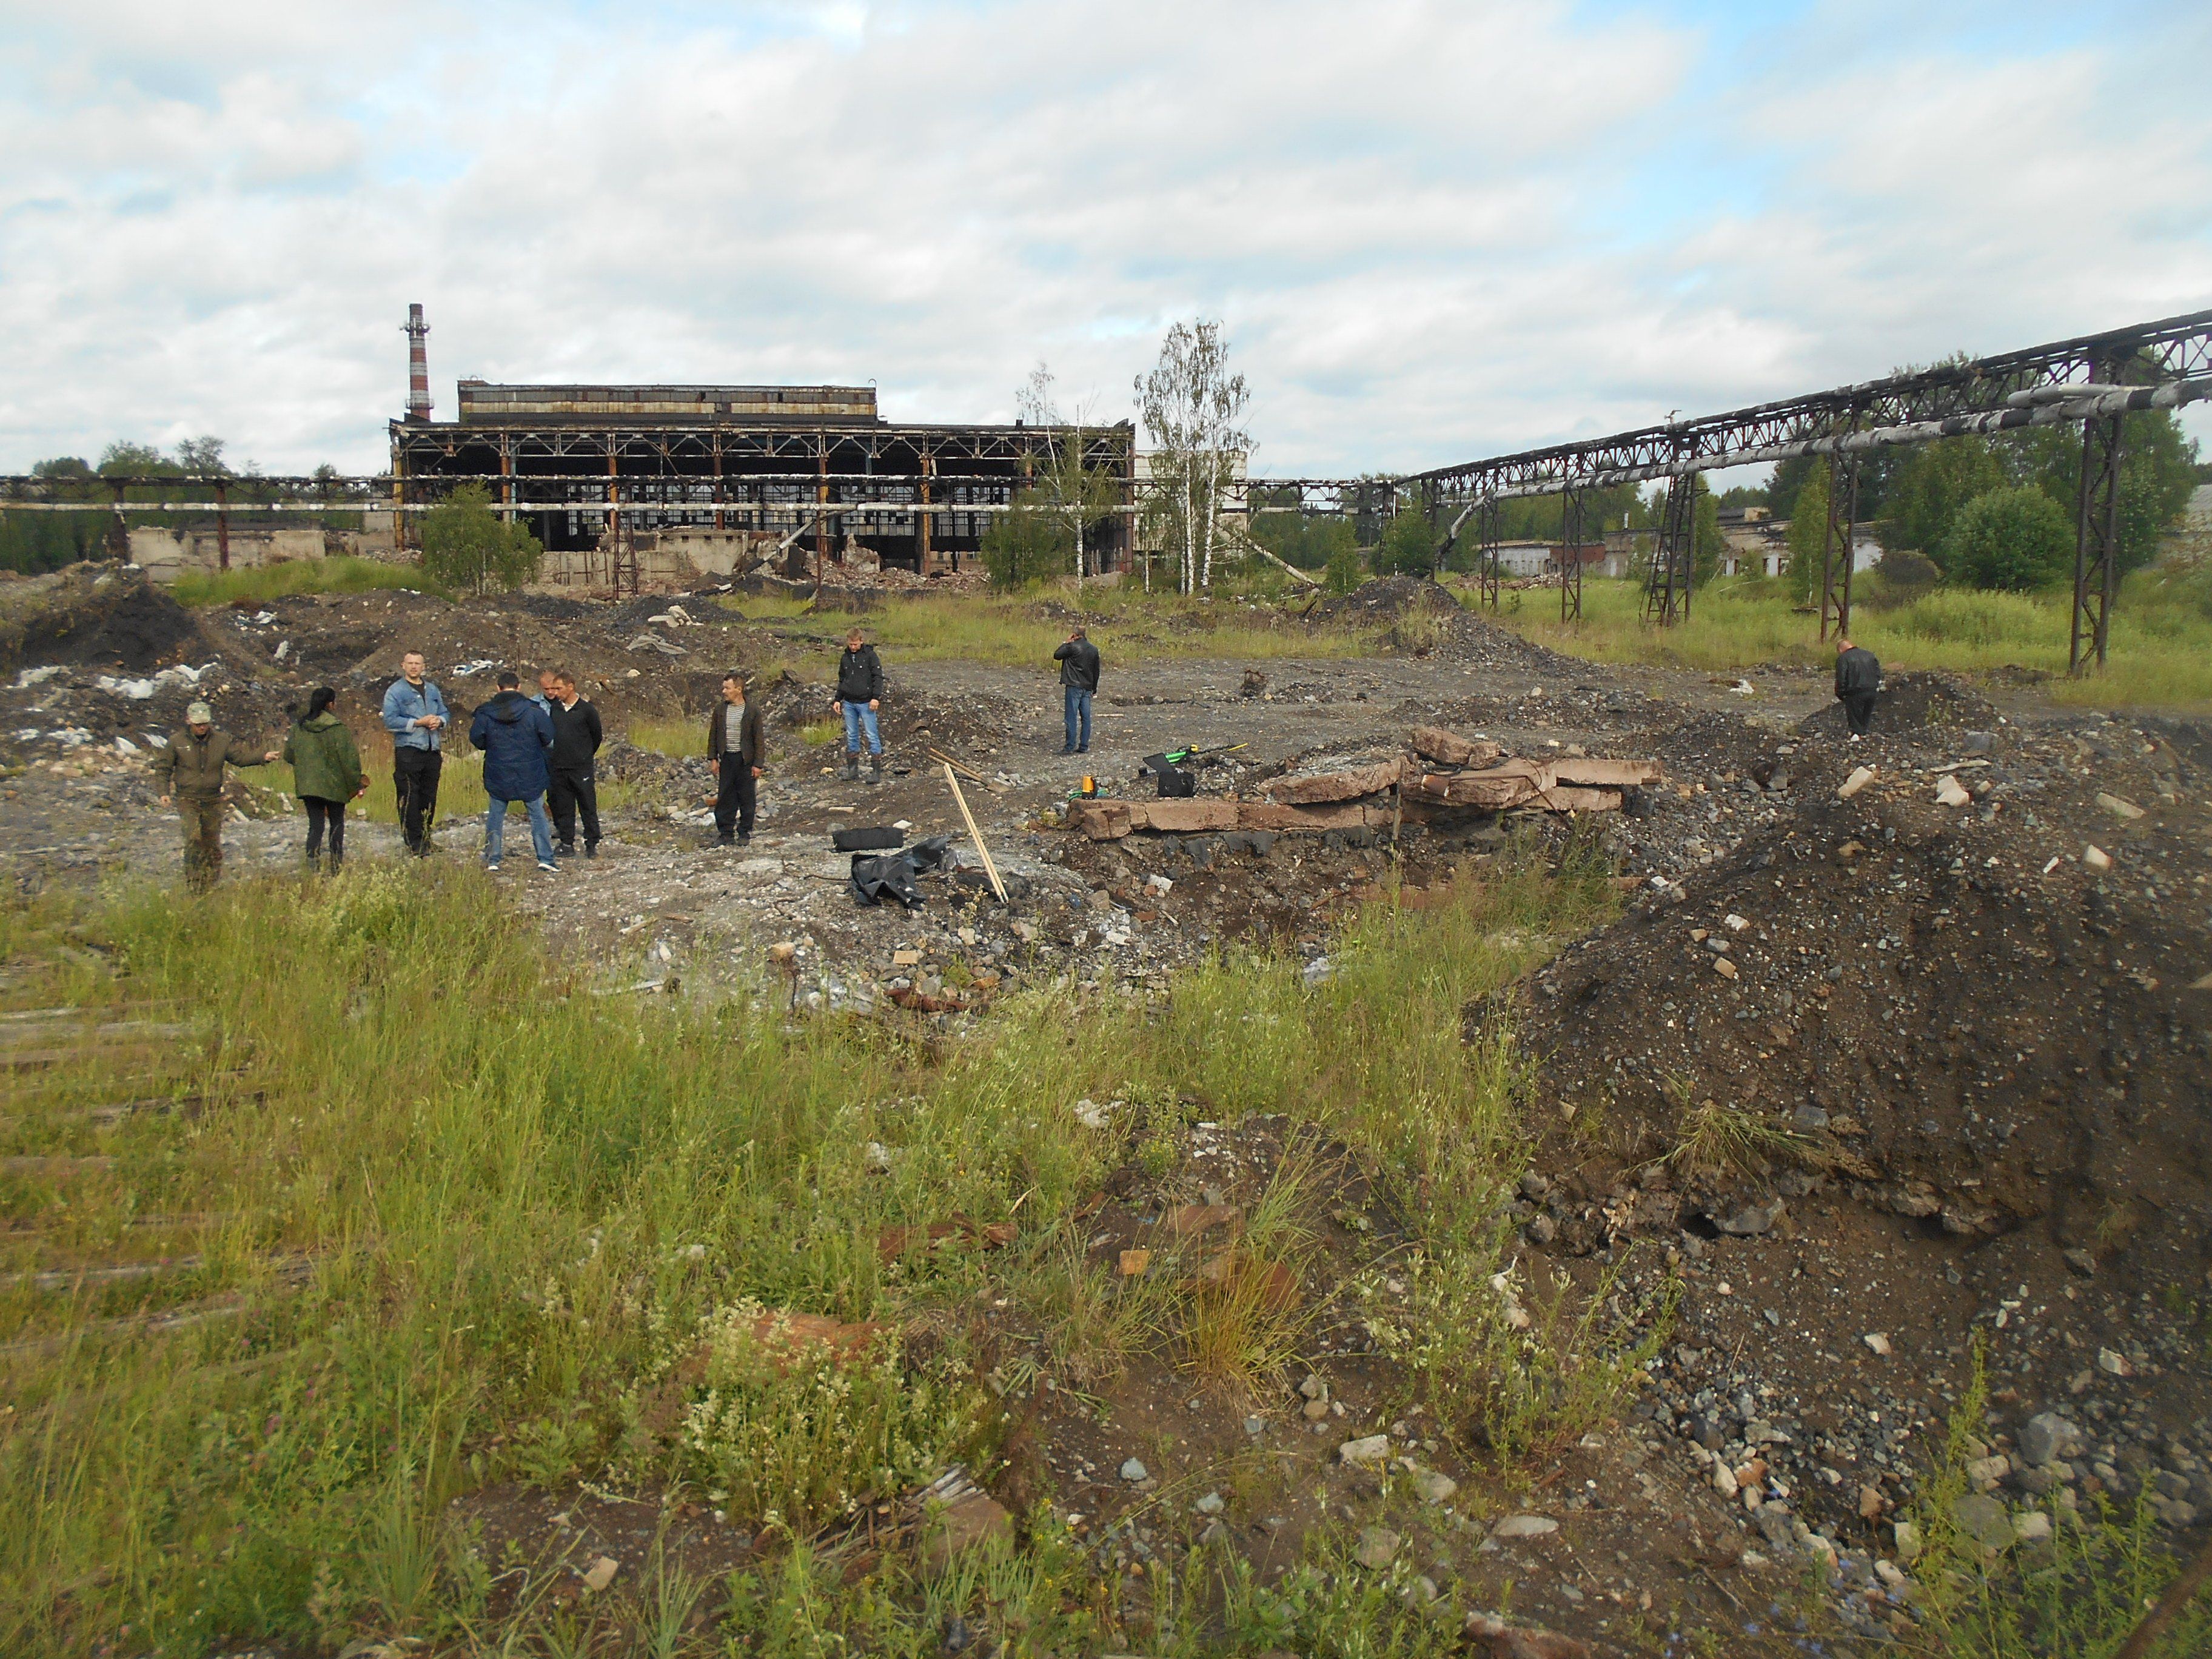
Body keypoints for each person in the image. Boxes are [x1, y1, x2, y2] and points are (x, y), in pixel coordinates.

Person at [157, 699, 278, 893]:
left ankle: (211, 882)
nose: (202, 727)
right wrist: (163, 792)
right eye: (198, 724)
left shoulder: (221, 741)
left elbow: (239, 758)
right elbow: (163, 768)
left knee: (212, 843)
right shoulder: (177, 742)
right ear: (189, 721)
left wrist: (262, 757)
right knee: (193, 839)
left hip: (213, 800)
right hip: (187, 799)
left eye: (205, 723)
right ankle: (194, 884)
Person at [468, 669, 557, 873]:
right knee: (537, 814)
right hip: (530, 770)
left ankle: (492, 859)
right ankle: (545, 858)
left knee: (496, 815)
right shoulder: (534, 711)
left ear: (498, 688)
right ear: (519, 687)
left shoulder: (485, 713)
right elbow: (548, 737)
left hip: (498, 771)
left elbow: (477, 740)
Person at [281, 686, 366, 872]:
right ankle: (336, 868)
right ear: (331, 704)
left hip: (309, 787)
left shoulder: (299, 728)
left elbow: (288, 755)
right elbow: (349, 762)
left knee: (315, 826)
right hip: (335, 787)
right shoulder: (337, 729)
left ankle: (313, 869)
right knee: (336, 825)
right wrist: (357, 784)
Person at [381, 651, 449, 854]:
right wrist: (418, 723)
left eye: (417, 663)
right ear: (403, 665)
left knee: (429, 796)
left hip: (432, 749)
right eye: (410, 663)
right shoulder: (396, 691)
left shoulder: (433, 690)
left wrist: (440, 721)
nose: (414, 667)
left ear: (423, 666)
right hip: (409, 750)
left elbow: (445, 712)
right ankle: (414, 842)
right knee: (410, 796)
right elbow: (390, 721)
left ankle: (426, 838)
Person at [545, 671, 603, 858]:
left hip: (581, 767)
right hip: (560, 767)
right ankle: (567, 843)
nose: (555, 692)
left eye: (559, 688)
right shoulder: (555, 709)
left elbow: (597, 736)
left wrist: (584, 756)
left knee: (587, 806)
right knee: (564, 807)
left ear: (571, 687)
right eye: (553, 688)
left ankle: (592, 843)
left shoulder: (587, 710)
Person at [708, 670, 764, 846]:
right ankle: (725, 833)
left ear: (738, 689)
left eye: (727, 688)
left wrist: (758, 764)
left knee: (747, 797)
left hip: (745, 760)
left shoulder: (752, 710)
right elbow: (713, 735)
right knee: (725, 796)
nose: (724, 691)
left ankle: (745, 832)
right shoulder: (720, 710)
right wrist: (713, 758)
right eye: (724, 688)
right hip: (727, 759)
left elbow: (759, 739)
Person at [830, 627, 885, 783]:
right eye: (850, 644)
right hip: (849, 703)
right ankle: (852, 771)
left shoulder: (870, 656)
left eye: (855, 644)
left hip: (867, 703)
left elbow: (878, 677)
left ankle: (876, 772)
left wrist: (876, 697)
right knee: (852, 735)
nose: (853, 647)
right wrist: (837, 699)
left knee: (872, 735)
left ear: (861, 641)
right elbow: (842, 680)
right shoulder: (845, 658)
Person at [1052, 625, 1101, 755]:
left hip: (1074, 685)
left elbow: (1057, 655)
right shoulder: (1093, 649)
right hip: (1087, 686)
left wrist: (1066, 643)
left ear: (1075, 634)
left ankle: (1070, 746)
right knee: (1086, 718)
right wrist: (1094, 688)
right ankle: (1084, 745)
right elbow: (1096, 671)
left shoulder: (1072, 647)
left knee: (1071, 717)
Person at [1834, 634, 1882, 740]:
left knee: (1855, 717)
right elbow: (1878, 673)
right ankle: (1863, 735)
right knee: (1866, 716)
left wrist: (1841, 693)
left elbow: (1841, 678)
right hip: (1872, 690)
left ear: (1841, 650)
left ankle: (1856, 737)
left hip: (1854, 691)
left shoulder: (1843, 658)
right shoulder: (1870, 655)